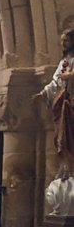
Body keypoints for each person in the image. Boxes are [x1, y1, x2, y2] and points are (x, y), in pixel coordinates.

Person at [35, 28, 74, 170]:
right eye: (62, 40)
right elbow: (56, 81)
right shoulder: (63, 61)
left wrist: (70, 76)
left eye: (66, 40)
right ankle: (67, 169)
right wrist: (44, 93)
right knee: (63, 136)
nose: (63, 43)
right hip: (65, 103)